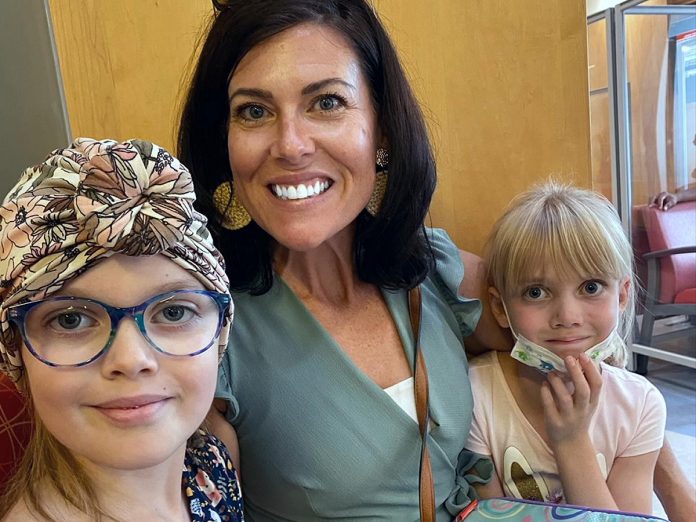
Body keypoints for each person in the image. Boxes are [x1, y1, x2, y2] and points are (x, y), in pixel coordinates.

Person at [177, 0, 510, 519]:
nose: (290, 145)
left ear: (380, 129)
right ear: (224, 143)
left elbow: (588, 371)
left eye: (326, 103)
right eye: (254, 111)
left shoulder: (438, 271)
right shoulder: (210, 336)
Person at [0, 138, 243, 521]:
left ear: (221, 332)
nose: (131, 360)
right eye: (71, 319)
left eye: (175, 312)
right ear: (15, 347)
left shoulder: (210, 461)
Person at [466, 182, 666, 514]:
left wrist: (571, 442)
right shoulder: (474, 394)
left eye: (591, 287)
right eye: (535, 292)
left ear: (621, 295)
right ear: (500, 308)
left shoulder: (640, 406)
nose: (567, 317)